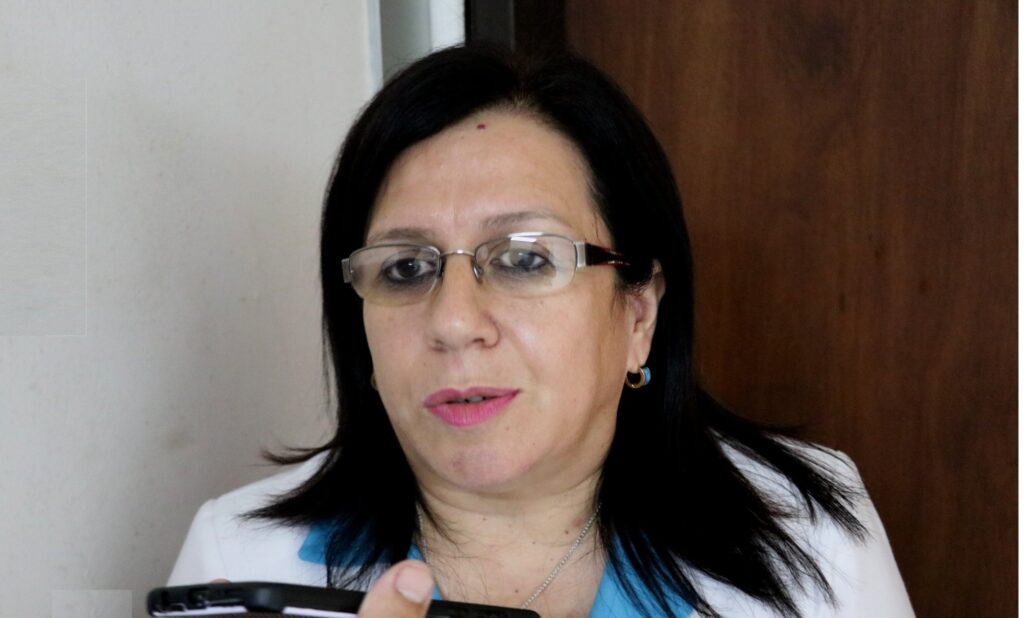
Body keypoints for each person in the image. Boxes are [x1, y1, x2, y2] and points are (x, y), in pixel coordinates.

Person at [168, 45, 914, 617]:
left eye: (525, 259)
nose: (453, 321)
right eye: (405, 269)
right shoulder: (236, 558)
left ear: (638, 314)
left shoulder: (809, 528)